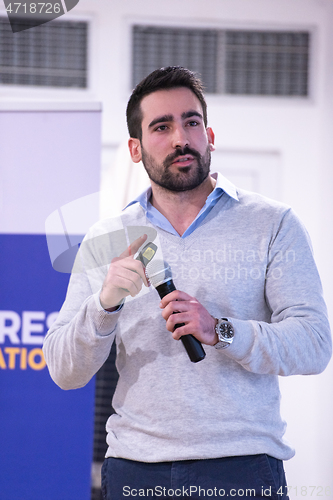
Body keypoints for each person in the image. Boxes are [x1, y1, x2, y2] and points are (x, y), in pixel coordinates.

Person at [43, 66, 332, 500]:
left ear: (209, 135)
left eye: (191, 122)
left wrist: (220, 330)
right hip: (136, 471)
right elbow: (65, 370)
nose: (181, 137)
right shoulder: (107, 239)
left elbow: (313, 343)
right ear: (135, 148)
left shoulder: (273, 223)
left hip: (244, 466)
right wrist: (103, 306)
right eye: (162, 126)